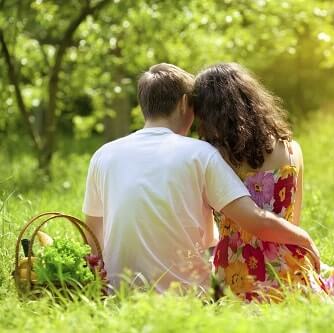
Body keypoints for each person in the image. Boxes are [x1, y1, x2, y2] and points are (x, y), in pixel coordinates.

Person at [82, 63, 320, 293]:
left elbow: (92, 232)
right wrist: (304, 240)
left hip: (119, 291)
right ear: (185, 104)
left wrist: (98, 274)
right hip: (189, 291)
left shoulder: (103, 155)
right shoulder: (200, 154)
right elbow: (257, 221)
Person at [192, 63, 327, 300]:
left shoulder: (213, 156)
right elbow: (293, 221)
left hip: (236, 274)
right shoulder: (292, 149)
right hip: (292, 269)